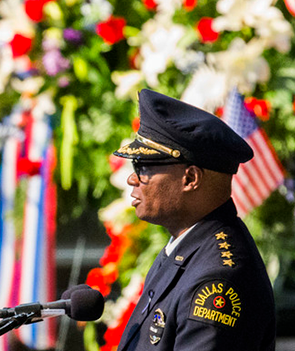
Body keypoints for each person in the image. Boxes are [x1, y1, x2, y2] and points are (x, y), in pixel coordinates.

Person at [113, 89, 275, 351]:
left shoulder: (218, 278)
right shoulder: (187, 248)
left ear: (190, 179)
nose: (133, 178)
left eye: (143, 166)